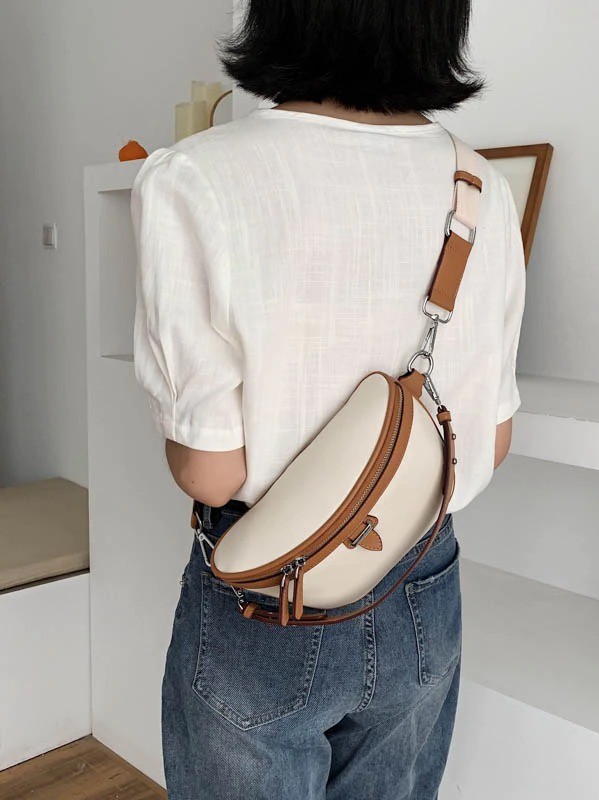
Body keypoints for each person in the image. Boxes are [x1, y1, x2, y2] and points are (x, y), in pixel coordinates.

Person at [130, 1, 526, 797]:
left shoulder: (193, 176)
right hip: (423, 578)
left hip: (269, 595)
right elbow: (492, 442)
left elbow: (210, 473)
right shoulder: (482, 186)